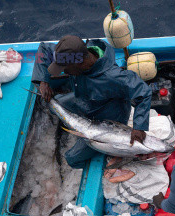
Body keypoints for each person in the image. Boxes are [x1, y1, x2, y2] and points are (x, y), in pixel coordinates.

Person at [31, 35, 152, 168]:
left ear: (80, 63)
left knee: (72, 159)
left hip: (110, 116)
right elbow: (43, 49)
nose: (63, 71)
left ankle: (103, 162)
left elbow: (143, 92)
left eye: (65, 69)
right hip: (84, 99)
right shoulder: (72, 55)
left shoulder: (113, 76)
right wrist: (44, 80)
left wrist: (139, 126)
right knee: (55, 105)